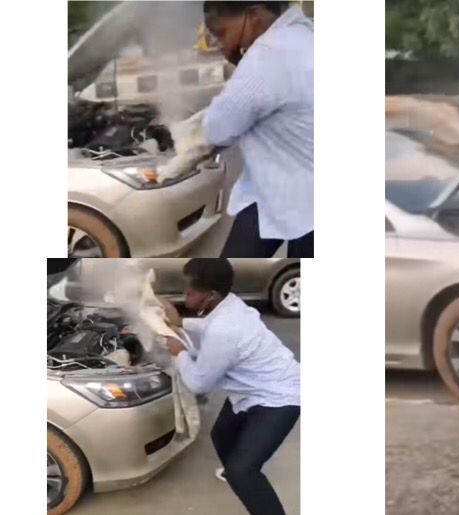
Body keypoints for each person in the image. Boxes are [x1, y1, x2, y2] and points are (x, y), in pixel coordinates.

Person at [163, 258, 300, 515]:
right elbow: (208, 326)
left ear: (211, 296)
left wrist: (179, 352)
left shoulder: (224, 331)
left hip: (280, 396)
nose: (185, 296)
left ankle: (244, 481)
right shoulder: (230, 304)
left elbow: (197, 383)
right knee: (221, 436)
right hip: (251, 389)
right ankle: (238, 478)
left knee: (243, 470)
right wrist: (180, 322)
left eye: (190, 292)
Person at [202, 1, 314, 257]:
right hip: (276, 190)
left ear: (254, 15)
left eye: (221, 33)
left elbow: (216, 130)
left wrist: (241, 64)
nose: (218, 44)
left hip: (302, 200)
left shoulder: (267, 55)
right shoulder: (304, 35)